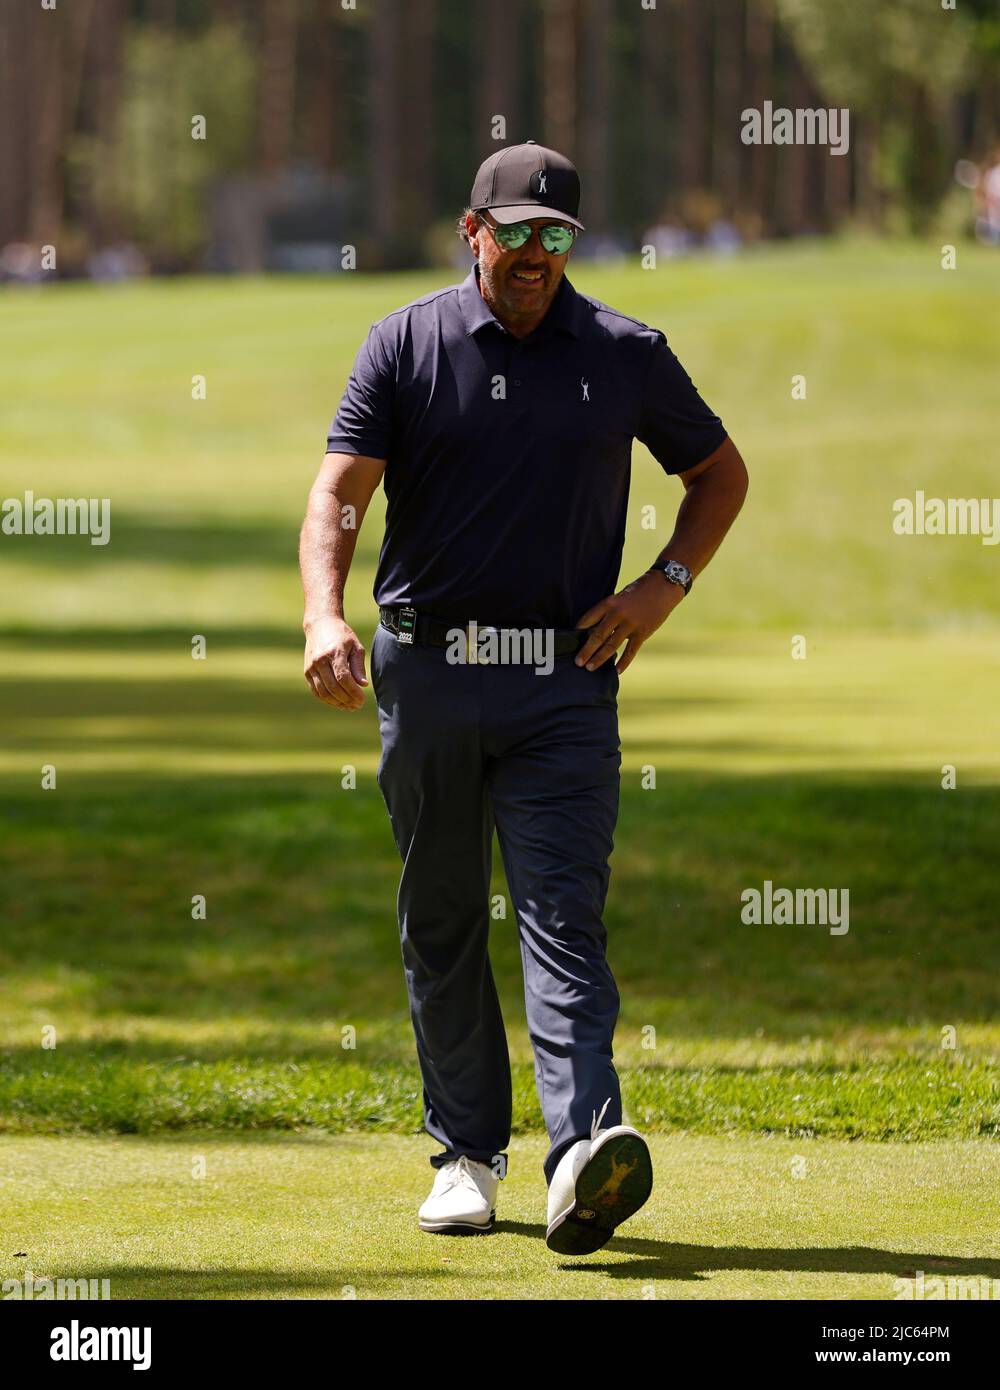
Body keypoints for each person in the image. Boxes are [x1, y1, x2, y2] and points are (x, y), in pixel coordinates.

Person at [299, 141, 748, 1256]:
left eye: (557, 235)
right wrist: (322, 613)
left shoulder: (625, 354)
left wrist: (660, 587)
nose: (537, 254)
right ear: (473, 232)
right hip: (431, 672)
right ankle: (463, 1155)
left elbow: (719, 475)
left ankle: (584, 1153)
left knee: (562, 920)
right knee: (442, 917)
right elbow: (337, 496)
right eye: (517, 232)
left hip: (564, 682)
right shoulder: (404, 344)